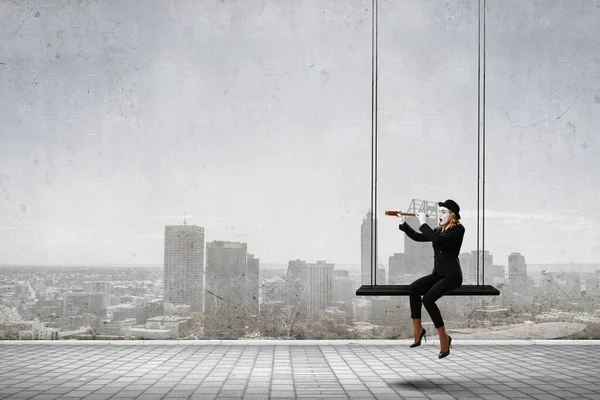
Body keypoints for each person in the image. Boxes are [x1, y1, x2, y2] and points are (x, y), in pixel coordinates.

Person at [397, 199, 464, 359]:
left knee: (427, 300)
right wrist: (403, 224)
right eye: (439, 211)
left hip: (452, 276)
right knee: (413, 289)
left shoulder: (458, 230)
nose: (440, 215)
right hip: (438, 274)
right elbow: (420, 237)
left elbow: (438, 241)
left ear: (452, 215)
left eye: (443, 212)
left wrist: (423, 222)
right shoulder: (440, 230)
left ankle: (444, 338)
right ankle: (418, 330)